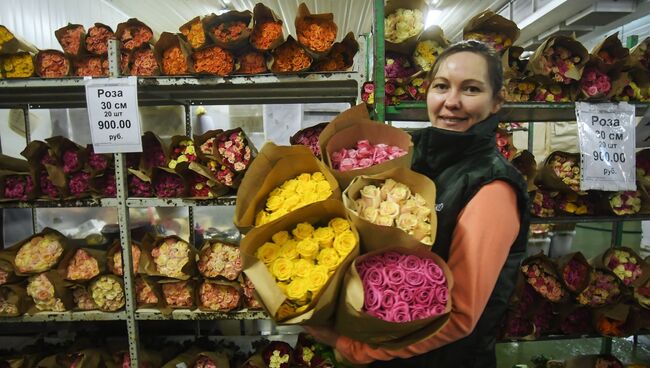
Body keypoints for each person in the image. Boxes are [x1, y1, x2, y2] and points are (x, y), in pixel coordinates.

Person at [306, 40, 531, 367]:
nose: (451, 102)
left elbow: (458, 317)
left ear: (497, 101)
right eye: (441, 86)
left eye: (470, 89)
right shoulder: (414, 158)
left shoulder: (492, 188)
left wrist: (354, 348)